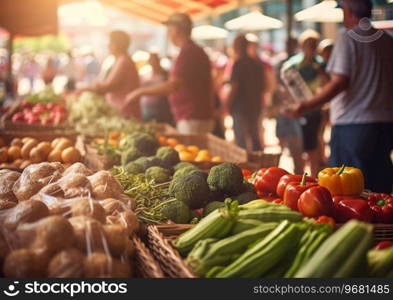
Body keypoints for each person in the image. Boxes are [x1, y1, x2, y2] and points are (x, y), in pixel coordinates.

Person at [286, 0, 393, 193]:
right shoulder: (386, 40)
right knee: (380, 188)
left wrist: (305, 105)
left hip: (353, 125)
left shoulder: (348, 39)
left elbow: (339, 83)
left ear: (349, 12)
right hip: (386, 123)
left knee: (349, 191)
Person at [125, 13, 214, 134]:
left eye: (169, 29)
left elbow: (173, 85)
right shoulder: (192, 51)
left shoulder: (188, 53)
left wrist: (140, 92)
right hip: (194, 116)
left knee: (191, 151)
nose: (167, 33)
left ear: (176, 30)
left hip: (192, 117)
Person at [282, 29, 328, 177]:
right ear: (302, 46)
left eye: (313, 45)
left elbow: (328, 85)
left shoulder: (321, 64)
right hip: (297, 110)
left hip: (314, 111)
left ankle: (314, 177)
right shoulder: (292, 65)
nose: (311, 48)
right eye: (308, 45)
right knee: (296, 146)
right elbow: (285, 86)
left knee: (313, 145)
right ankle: (298, 176)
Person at [79, 31, 140, 119]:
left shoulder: (123, 61)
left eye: (109, 42)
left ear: (115, 45)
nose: (107, 46)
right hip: (121, 110)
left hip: (125, 111)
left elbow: (109, 86)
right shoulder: (120, 60)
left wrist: (84, 88)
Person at [226, 35, 264, 152]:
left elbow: (234, 87)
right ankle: (259, 166)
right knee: (255, 138)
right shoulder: (257, 64)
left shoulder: (238, 63)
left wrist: (226, 105)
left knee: (241, 142)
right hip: (254, 106)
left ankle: (245, 168)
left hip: (240, 107)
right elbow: (263, 86)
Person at [273, 37, 304, 174]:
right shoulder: (281, 62)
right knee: (282, 138)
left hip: (296, 107)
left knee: (295, 143)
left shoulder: (298, 62)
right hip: (284, 107)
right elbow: (277, 85)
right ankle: (280, 172)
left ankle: (298, 172)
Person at [140, 53, 173, 124]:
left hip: (161, 109)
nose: (152, 62)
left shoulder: (165, 74)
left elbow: (168, 88)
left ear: (158, 61)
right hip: (146, 108)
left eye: (153, 60)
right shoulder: (145, 75)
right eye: (150, 60)